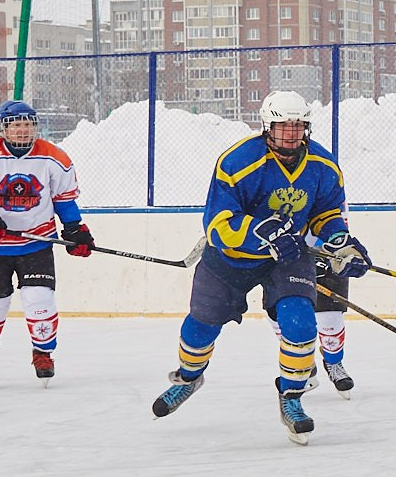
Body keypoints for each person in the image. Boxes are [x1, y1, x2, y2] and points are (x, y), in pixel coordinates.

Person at [151, 90, 369, 441]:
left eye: (298, 126)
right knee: (200, 327)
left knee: (299, 324)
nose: (291, 133)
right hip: (231, 257)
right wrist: (259, 231)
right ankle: (189, 377)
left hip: (287, 255)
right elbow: (218, 223)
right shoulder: (238, 161)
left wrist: (339, 240)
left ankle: (292, 397)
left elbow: (327, 212)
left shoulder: (323, 165)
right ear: (267, 126)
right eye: (283, 126)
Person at [0, 98, 90, 385]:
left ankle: (43, 353)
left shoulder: (54, 157)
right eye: (16, 125)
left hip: (36, 243)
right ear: (3, 129)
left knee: (39, 300)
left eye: (28, 125)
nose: (23, 131)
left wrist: (75, 229)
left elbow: (64, 199)